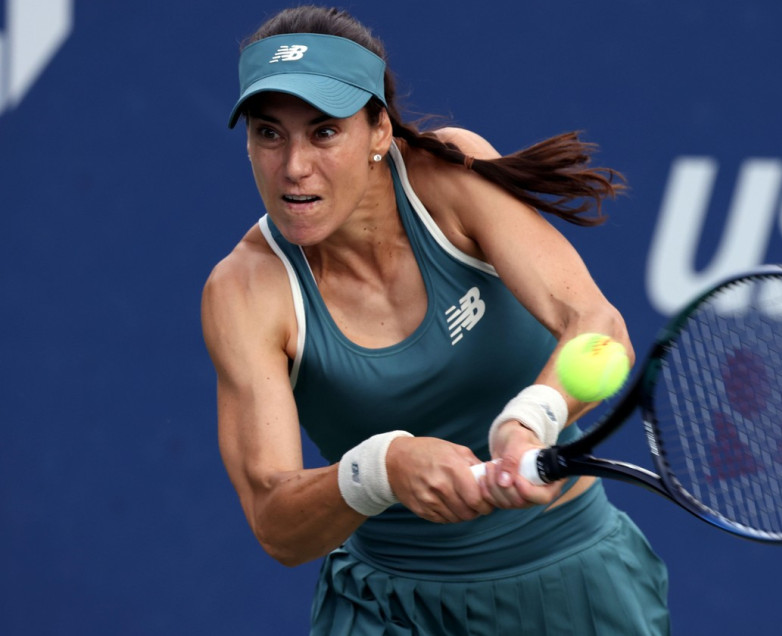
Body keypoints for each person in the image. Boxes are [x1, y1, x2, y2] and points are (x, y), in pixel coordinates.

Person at [201, 5, 669, 634]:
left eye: (324, 132)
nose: (294, 167)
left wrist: (529, 420)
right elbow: (275, 523)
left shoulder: (447, 175)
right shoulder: (242, 291)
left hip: (572, 583)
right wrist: (381, 468)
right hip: (385, 611)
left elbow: (598, 328)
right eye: (269, 134)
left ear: (379, 130)